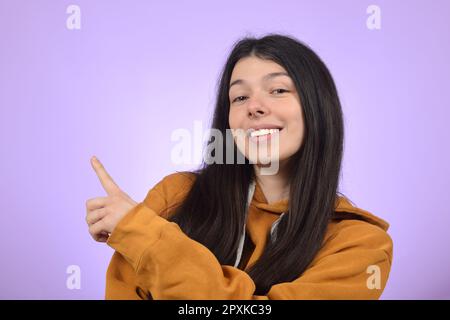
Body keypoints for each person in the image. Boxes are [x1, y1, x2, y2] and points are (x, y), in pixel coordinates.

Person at [85, 34, 393, 299]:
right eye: (240, 96)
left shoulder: (360, 244)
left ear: (317, 108)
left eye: (278, 90)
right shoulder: (176, 195)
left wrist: (148, 238)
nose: (254, 107)